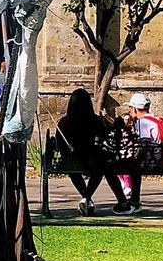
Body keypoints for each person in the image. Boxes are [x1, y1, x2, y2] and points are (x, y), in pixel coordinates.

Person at [54, 88, 135, 216]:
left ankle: (86, 197)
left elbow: (59, 145)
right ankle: (89, 197)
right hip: (92, 160)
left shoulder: (64, 122)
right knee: (103, 166)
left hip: (71, 161)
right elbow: (105, 137)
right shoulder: (95, 121)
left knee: (75, 170)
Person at [123, 92, 163, 212]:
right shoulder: (156, 119)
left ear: (134, 108)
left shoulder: (141, 122)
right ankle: (132, 199)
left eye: (130, 109)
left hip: (155, 162)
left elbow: (144, 145)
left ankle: (133, 201)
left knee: (131, 166)